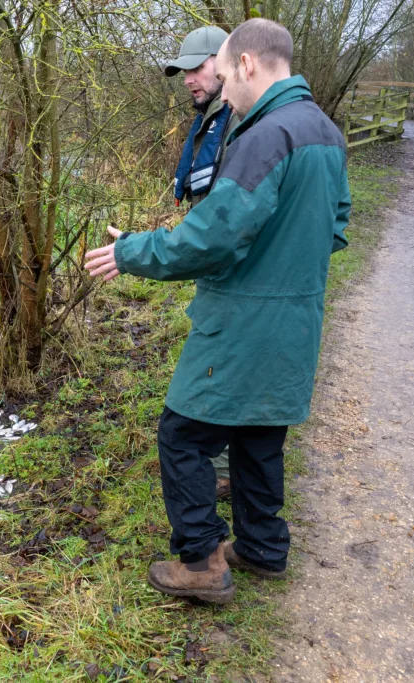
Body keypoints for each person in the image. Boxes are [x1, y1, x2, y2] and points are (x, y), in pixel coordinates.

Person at [84, 18, 351, 604]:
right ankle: (262, 546)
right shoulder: (326, 132)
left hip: (243, 324)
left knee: (182, 435)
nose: (223, 92)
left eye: (226, 76)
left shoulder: (265, 137)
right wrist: (285, 258)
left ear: (249, 64)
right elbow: (335, 226)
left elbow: (210, 240)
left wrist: (129, 250)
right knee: (258, 435)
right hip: (296, 322)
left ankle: (202, 562)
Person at [164, 25, 241, 499]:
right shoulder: (212, 114)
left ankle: (227, 468)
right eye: (183, 71)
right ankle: (227, 461)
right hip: (213, 260)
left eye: (197, 67)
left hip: (230, 264)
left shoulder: (240, 120)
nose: (189, 78)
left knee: (223, 359)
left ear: (225, 62)